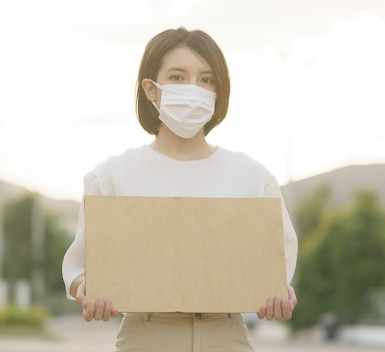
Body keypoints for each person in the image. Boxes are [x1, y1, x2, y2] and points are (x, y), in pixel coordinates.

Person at [62, 27, 298, 352]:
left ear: (218, 91)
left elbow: (277, 270)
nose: (193, 88)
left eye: (206, 79)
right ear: (151, 89)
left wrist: (279, 293)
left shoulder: (253, 178)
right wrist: (85, 288)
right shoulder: (111, 176)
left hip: (226, 336)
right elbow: (77, 268)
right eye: (177, 77)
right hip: (144, 337)